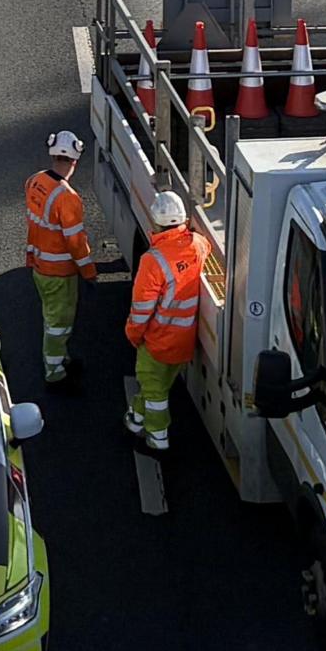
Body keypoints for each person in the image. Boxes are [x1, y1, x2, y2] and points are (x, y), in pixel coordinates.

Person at [122, 190, 213, 455]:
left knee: (155, 393)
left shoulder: (153, 260)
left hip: (158, 341)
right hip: (184, 339)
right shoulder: (197, 243)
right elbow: (200, 254)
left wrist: (133, 334)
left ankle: (157, 440)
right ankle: (136, 418)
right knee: (157, 386)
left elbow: (141, 310)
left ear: (155, 222)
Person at [20, 132, 95, 390]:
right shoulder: (67, 198)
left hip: (40, 265)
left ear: (53, 154)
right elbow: (76, 242)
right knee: (59, 324)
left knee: (50, 314)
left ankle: (60, 358)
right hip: (59, 272)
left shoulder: (35, 181)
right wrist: (89, 272)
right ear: (75, 160)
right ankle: (54, 371)